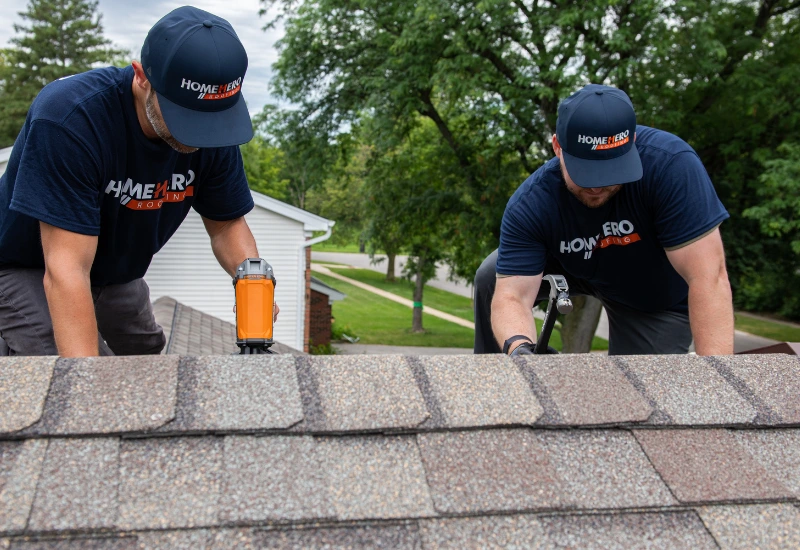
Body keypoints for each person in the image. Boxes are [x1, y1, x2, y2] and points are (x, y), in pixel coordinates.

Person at [0, 6, 278, 357]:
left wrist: (251, 280)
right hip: (26, 264)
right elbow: (66, 269)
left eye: (210, 121)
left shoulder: (212, 130)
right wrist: (85, 388)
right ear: (142, 77)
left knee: (146, 353)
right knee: (60, 365)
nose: (199, 137)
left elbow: (226, 227)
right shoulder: (70, 118)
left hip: (115, 272)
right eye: (185, 117)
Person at [474, 84, 733, 356]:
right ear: (557, 147)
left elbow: (709, 278)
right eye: (585, 171)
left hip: (653, 296)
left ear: (632, 143)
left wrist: (720, 380)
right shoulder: (533, 201)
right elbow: (513, 296)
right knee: (492, 276)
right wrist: (519, 350)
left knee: (639, 392)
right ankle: (500, 380)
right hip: (572, 264)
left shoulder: (671, 166)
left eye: (609, 171)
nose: (597, 186)